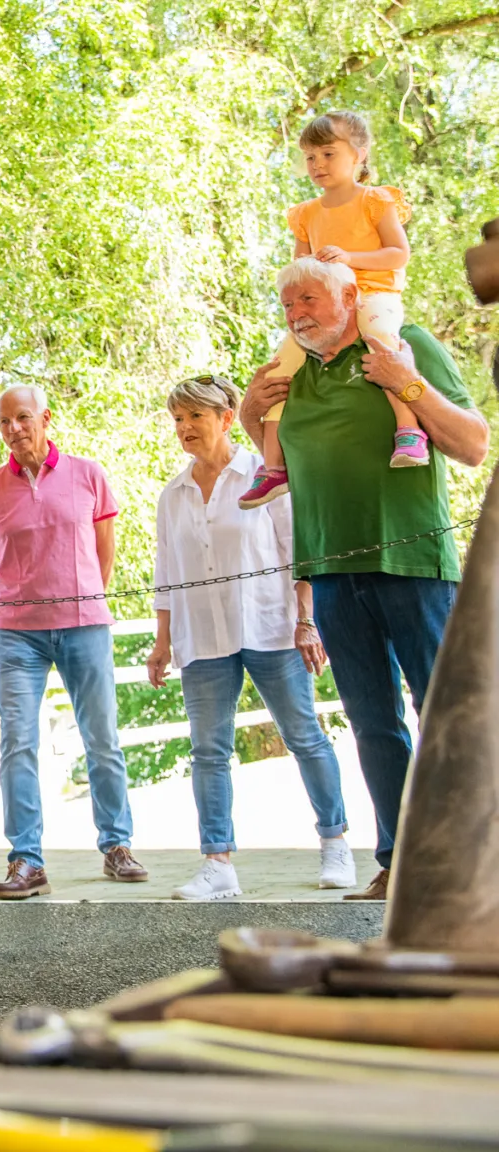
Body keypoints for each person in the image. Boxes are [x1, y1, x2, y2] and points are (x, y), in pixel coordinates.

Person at [241, 256, 488, 901]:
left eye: (310, 301)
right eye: (288, 306)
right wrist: (250, 413)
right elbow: (281, 465)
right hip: (329, 570)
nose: (297, 316)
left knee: (444, 715)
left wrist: (406, 385)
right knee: (372, 722)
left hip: (413, 565)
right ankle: (399, 861)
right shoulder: (294, 374)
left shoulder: (406, 347)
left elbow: (472, 444)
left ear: (350, 296)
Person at [146, 374, 355, 901]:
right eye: (177, 419)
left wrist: (307, 621)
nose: (185, 427)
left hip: (269, 625)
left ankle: (335, 843)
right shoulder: (173, 495)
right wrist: (162, 641)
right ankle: (217, 865)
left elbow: (299, 550)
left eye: (195, 416)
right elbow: (165, 572)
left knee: (304, 735)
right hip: (203, 637)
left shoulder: (265, 475)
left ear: (224, 416)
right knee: (208, 751)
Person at [0, 385, 145, 900]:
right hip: (18, 635)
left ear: (46, 419)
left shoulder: (88, 474)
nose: (14, 429)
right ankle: (26, 860)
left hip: (84, 624)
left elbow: (103, 549)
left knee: (102, 738)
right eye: (4, 422)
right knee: (17, 744)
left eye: (23, 418)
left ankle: (117, 846)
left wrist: (83, 597)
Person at [243, 111, 421, 509]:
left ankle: (408, 431)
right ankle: (273, 468)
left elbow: (398, 254)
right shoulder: (306, 213)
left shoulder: (375, 201)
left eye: (327, 153)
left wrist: (348, 257)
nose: (317, 164)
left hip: (372, 294)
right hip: (326, 306)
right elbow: (297, 271)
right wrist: (303, 290)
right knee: (280, 365)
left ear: (359, 154)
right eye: (310, 157)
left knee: (382, 342)